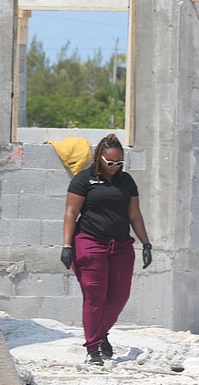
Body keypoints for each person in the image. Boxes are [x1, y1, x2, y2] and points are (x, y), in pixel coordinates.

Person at [61, 133, 152, 366]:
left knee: (119, 297)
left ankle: (101, 334)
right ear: (100, 158)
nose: (115, 167)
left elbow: (134, 214)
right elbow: (71, 213)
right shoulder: (83, 180)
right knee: (95, 297)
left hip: (120, 245)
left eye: (119, 162)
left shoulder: (127, 181)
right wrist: (67, 245)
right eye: (110, 162)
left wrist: (146, 243)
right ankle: (93, 349)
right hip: (90, 242)